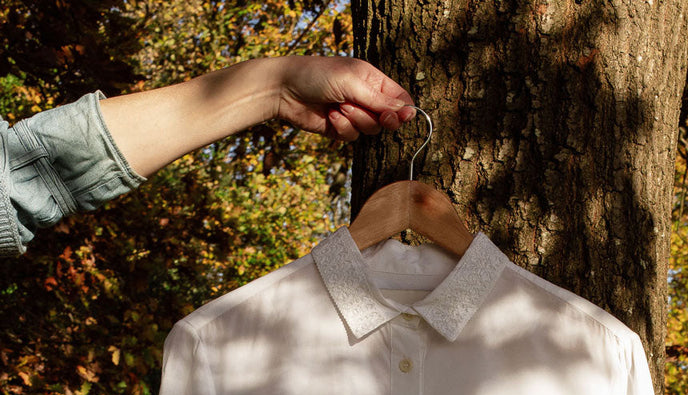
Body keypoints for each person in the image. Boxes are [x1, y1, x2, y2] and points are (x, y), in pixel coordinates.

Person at [0, 55, 415, 257]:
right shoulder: (220, 339)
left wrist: (276, 87)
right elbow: (19, 184)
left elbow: (18, 182)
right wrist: (274, 88)